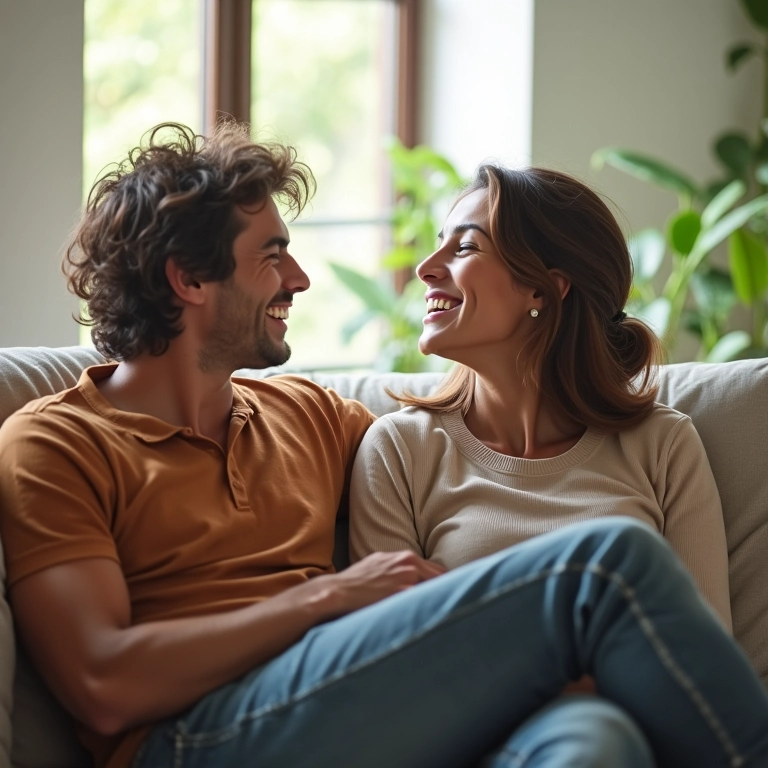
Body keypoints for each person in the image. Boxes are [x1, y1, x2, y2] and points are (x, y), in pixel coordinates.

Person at [0, 124, 766, 768]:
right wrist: (327, 596)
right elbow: (102, 687)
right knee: (604, 563)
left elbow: (455, 456)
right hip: (193, 739)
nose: (299, 278)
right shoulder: (57, 441)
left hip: (349, 711)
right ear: (188, 279)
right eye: (272, 255)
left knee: (590, 738)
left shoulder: (308, 417)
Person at [349, 163, 731, 628]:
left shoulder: (662, 445)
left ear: (543, 289)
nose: (426, 270)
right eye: (437, 246)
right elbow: (388, 662)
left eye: (465, 246)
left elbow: (705, 659)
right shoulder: (399, 450)